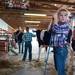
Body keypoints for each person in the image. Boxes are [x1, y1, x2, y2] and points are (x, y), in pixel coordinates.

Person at [50, 9, 71, 75]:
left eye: (65, 15)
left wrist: (55, 20)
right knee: (58, 68)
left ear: (67, 17)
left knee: (60, 70)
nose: (63, 17)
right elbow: (50, 30)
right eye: (61, 15)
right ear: (58, 16)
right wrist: (52, 20)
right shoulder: (57, 24)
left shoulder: (66, 25)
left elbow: (56, 30)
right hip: (56, 48)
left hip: (62, 49)